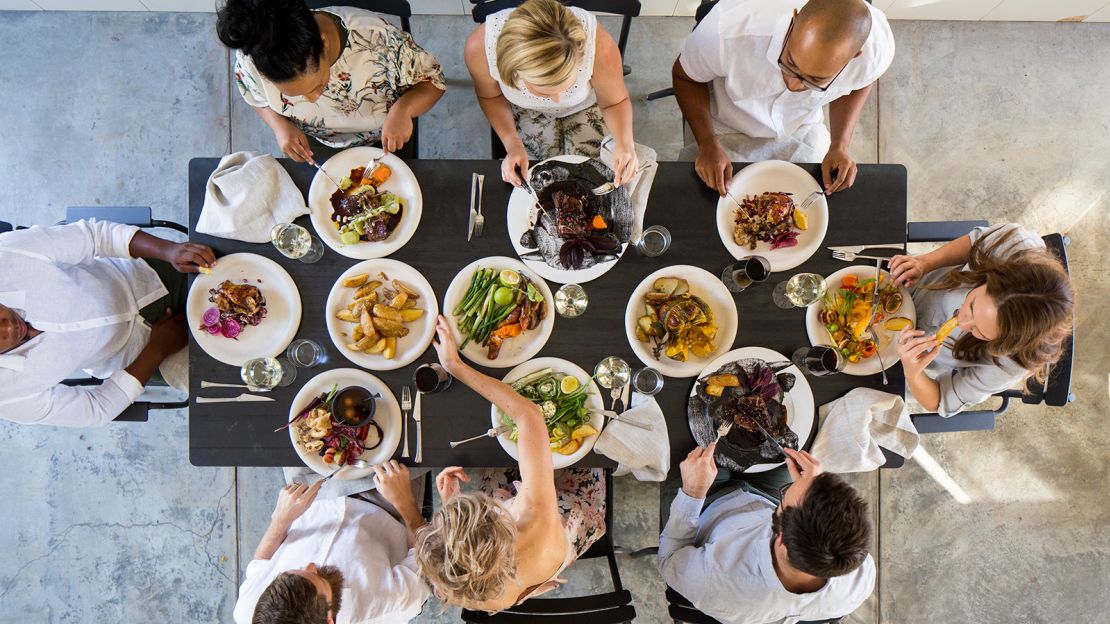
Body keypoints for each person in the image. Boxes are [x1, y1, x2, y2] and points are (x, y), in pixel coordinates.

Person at [413, 315, 606, 612]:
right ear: (500, 522)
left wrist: (452, 505)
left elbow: (459, 559)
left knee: (493, 463)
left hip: (520, 570)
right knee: (590, 457)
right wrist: (456, 367)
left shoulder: (466, 592)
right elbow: (529, 416)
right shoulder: (535, 517)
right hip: (567, 519)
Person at [0, 219, 212, 427]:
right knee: (229, 381)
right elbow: (95, 409)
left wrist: (170, 251)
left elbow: (96, 237)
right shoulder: (7, 396)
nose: (9, 327)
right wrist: (156, 350)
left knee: (232, 265)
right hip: (139, 356)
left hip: (146, 277)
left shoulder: (6, 254)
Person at [672, 0, 894, 195]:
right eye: (790, 63)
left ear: (854, 57)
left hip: (802, 127)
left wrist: (840, 144)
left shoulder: (876, 50)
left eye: (815, 79)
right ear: (793, 21)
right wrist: (707, 144)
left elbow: (861, 83)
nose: (794, 85)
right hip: (722, 124)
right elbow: (685, 77)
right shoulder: (727, 32)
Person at [658, 443, 874, 624]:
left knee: (680, 442)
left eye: (787, 495)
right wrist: (813, 482)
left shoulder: (715, 581)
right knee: (785, 443)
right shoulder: (861, 576)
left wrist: (693, 492)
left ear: (780, 540)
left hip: (707, 504)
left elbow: (668, 558)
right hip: (766, 497)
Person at [217, 0, 446, 161]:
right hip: (316, 143)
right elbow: (254, 96)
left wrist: (404, 110)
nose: (313, 99)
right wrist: (280, 126)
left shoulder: (380, 42)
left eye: (317, 85)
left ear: (323, 44)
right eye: (293, 95)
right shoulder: (254, 58)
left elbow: (433, 81)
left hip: (387, 135)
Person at [888, 223, 1074, 417]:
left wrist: (913, 373)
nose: (961, 322)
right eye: (971, 305)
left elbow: (940, 400)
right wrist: (925, 263)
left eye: (979, 332)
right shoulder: (1017, 244)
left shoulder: (1011, 364)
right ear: (994, 275)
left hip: (905, 367)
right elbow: (975, 242)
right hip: (915, 286)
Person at [464, 0, 638, 188]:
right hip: (524, 111)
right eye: (543, 90)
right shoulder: (479, 49)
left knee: (599, 178)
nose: (558, 99)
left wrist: (625, 143)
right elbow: (491, 96)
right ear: (512, 70)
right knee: (533, 181)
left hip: (586, 106)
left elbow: (615, 102)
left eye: (565, 86)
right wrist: (512, 143)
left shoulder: (600, 47)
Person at [234, 462, 431, 624]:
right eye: (317, 577)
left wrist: (280, 521)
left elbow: (260, 562)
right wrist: (405, 502)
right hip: (385, 503)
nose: (311, 565)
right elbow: (424, 558)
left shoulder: (249, 611)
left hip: (311, 495)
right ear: (330, 619)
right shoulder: (391, 607)